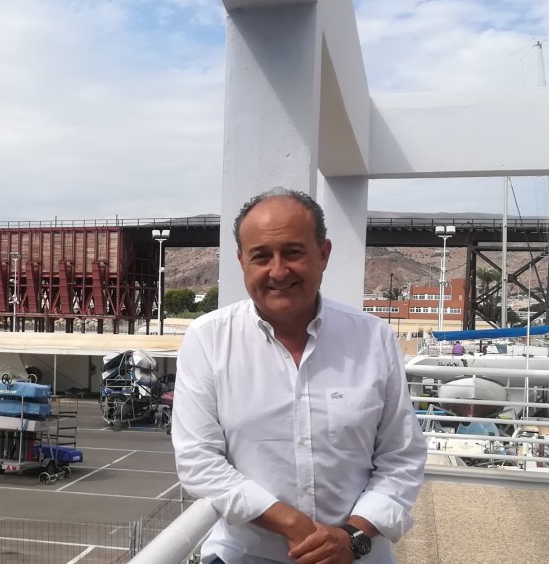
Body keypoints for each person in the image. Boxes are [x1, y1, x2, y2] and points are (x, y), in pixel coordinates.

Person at [173, 189, 427, 564]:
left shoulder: (373, 338)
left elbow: (400, 457)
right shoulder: (207, 339)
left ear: (322, 254)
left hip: (356, 556)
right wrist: (295, 525)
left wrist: (351, 535)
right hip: (244, 556)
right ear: (241, 260)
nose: (278, 271)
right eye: (261, 256)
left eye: (293, 252)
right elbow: (199, 461)